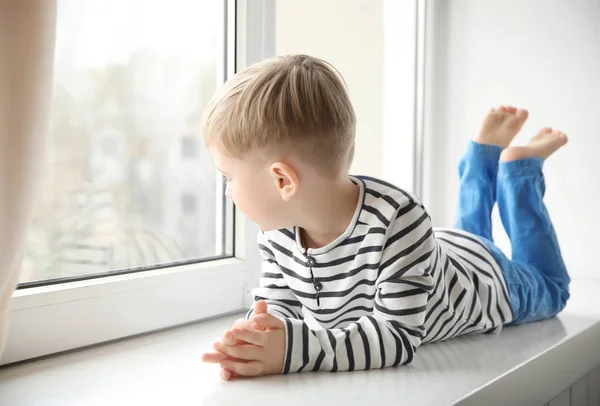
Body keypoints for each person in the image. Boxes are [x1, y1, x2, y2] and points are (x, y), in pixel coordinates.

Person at [200, 55, 570, 380]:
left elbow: (394, 337)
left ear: (283, 180)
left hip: (487, 281)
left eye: (229, 178)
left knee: (551, 288)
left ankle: (519, 171)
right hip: (439, 257)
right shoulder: (279, 231)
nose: (228, 191)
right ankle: (481, 159)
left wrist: (289, 353)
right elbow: (280, 305)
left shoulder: (397, 219)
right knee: (470, 232)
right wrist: (256, 336)